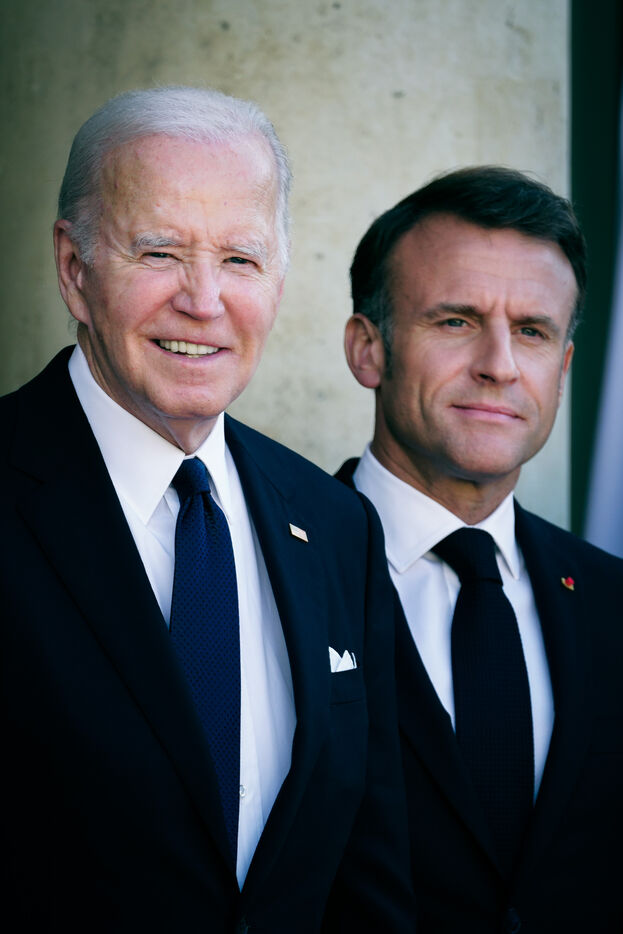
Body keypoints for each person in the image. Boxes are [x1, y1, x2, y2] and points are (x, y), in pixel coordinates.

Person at [1, 87, 415, 933]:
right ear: (74, 269)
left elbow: (367, 876)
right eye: (159, 252)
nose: (203, 300)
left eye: (239, 259)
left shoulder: (334, 523)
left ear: (278, 280)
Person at [337, 166, 623, 933]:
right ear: (367, 349)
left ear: (561, 370)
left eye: (532, 332)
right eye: (456, 321)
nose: (499, 364)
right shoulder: (268, 567)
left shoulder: (612, 602)